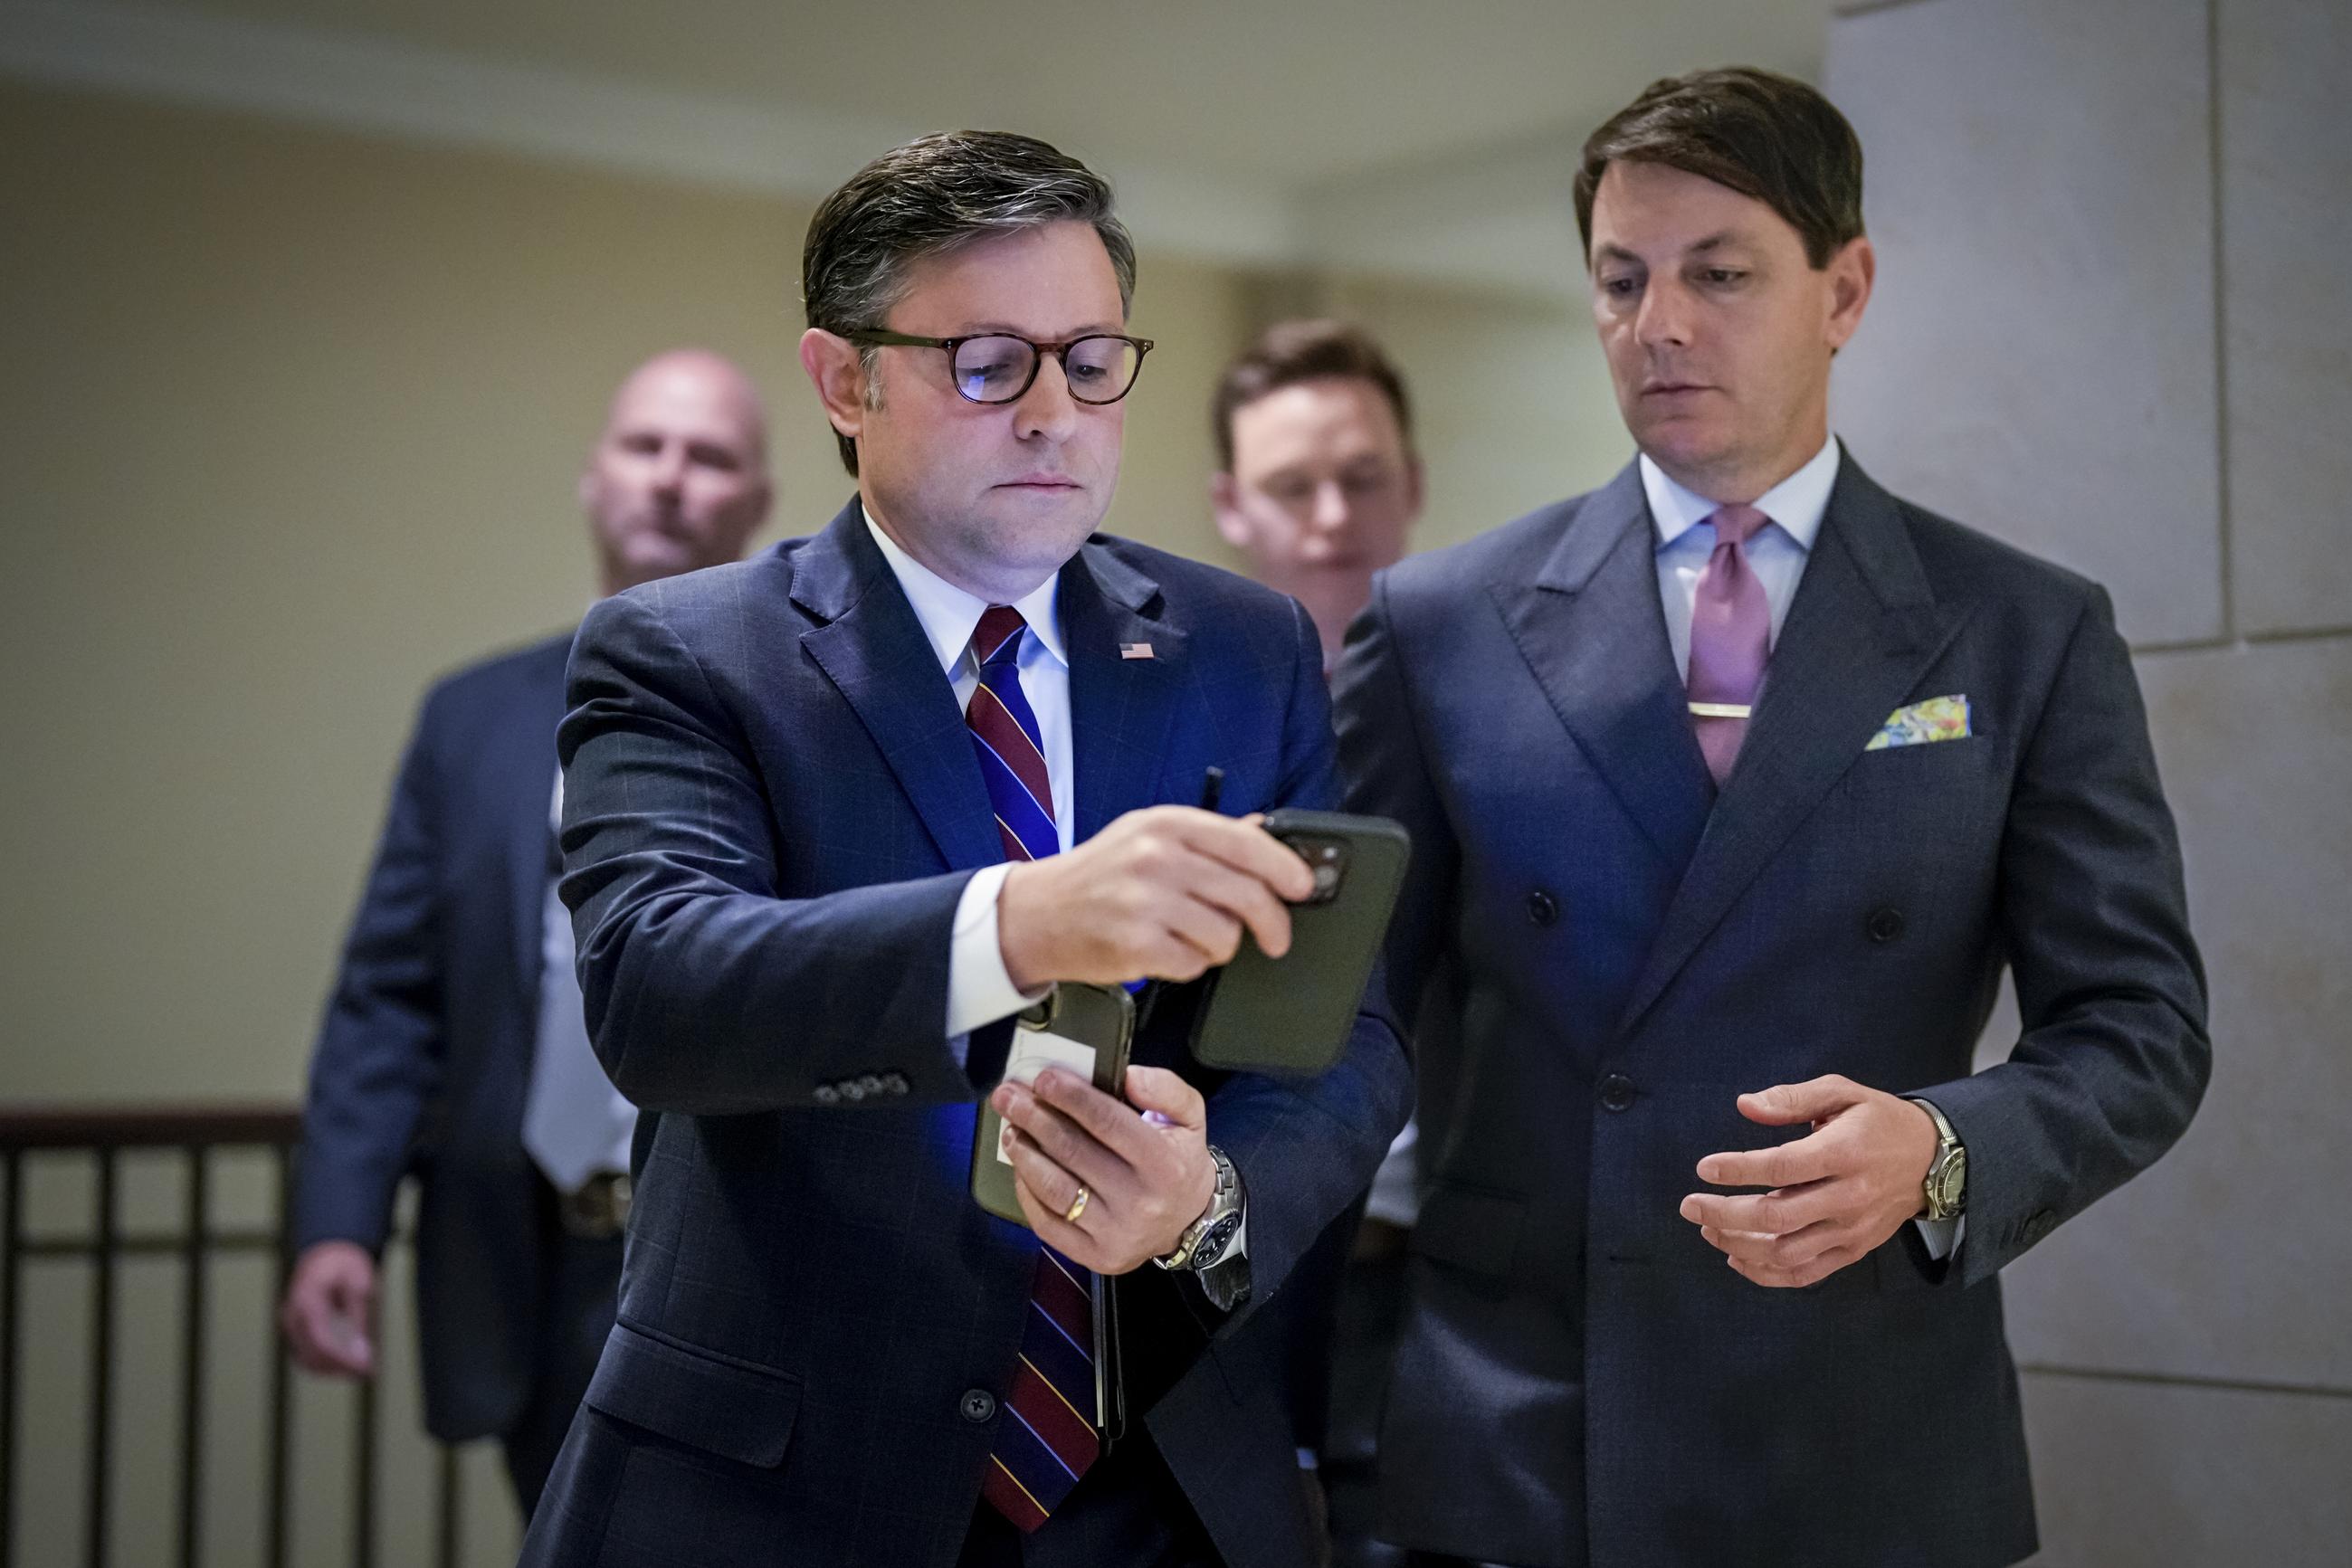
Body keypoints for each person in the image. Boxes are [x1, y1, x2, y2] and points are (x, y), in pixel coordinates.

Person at [1335, 68, 2209, 1568]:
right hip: (1524, 1443)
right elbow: (1349, 1018)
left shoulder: (2018, 630)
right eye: (1621, 279)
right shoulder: (1438, 622)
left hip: (1860, 1431)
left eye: (1716, 272)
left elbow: (2137, 1025)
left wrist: (1939, 1148)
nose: (1657, 322)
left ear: (1842, 288)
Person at [519, 131, 1411, 1568]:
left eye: (1092, 359)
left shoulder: (1240, 648)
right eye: (989, 363)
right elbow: (657, 989)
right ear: (843, 381)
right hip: (788, 1486)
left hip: (1163, 1477)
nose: (1054, 413)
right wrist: (1020, 923)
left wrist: (1211, 1197)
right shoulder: (689, 652)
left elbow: (1342, 1040)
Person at [281, 349, 774, 1513]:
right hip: (521, 1259)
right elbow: (390, 991)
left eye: (708, 457)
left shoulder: (808, 712)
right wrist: (340, 1220)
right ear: (593, 479)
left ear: (756, 503)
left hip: (732, 1263)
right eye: (642, 446)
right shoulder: (473, 719)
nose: (668, 478)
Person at [1212, 318, 1424, 1567]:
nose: (1332, 515)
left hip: (1435, 1269)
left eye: (1363, 477)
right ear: (1231, 505)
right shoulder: (1172, 703)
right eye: (1293, 486)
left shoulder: (1498, 702)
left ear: (1414, 486)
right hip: (1223, 1255)